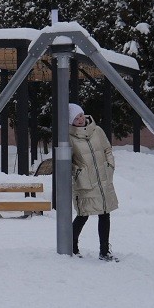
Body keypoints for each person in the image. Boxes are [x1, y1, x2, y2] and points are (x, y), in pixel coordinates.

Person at [68, 103, 119, 261]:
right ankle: (72, 247)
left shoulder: (97, 131)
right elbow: (67, 161)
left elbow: (107, 149)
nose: (80, 119)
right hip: (85, 182)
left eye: (81, 115)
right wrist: (78, 172)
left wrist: (109, 166)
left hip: (103, 179)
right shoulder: (68, 137)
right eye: (76, 118)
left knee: (105, 213)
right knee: (83, 214)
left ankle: (104, 251)